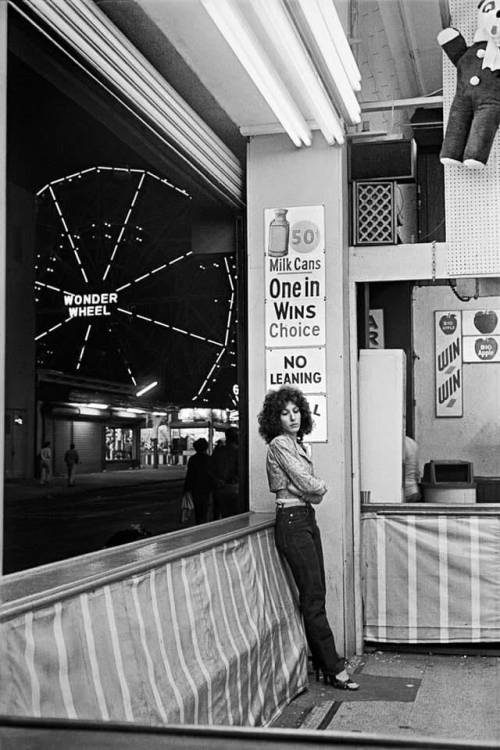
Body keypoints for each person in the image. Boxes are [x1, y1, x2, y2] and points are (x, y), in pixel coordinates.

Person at [258, 387, 359, 691]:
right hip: (291, 521)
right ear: (275, 419)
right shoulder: (279, 444)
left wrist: (309, 490)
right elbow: (308, 484)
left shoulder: (297, 445)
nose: (292, 417)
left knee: (317, 593)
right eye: (285, 412)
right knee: (313, 597)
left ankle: (324, 664)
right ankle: (333, 667)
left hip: (304, 517)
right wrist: (314, 487)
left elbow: (311, 495)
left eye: (296, 411)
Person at [183, 437, 213, 524]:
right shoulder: (209, 459)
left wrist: (186, 489)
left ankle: (199, 523)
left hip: (195, 488)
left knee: (197, 510)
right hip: (206, 488)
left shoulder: (193, 459)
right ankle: (203, 524)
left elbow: (189, 475)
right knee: (205, 509)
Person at [212, 427, 239, 519]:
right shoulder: (240, 452)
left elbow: (210, 469)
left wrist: (217, 480)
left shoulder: (218, 451)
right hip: (234, 487)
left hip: (220, 487)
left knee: (223, 514)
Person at [404, 435, 421, 501]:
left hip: (405, 492)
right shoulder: (412, 443)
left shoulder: (400, 443)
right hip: (414, 490)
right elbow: (417, 472)